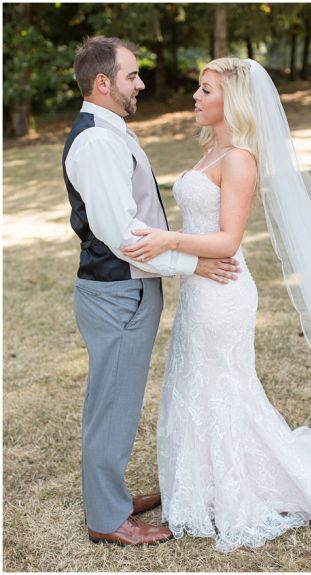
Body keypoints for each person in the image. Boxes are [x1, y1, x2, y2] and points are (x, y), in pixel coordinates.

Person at [120, 57, 311, 552]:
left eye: (205, 91)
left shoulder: (239, 158)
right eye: (198, 89)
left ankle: (236, 485)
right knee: (194, 380)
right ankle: (203, 481)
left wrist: (164, 241)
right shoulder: (210, 153)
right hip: (200, 287)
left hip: (223, 289)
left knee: (222, 385)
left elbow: (227, 240)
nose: (195, 98)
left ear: (231, 102)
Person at [63, 36, 240, 545]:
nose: (141, 83)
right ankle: (107, 518)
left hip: (128, 291)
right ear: (103, 83)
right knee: (111, 405)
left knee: (118, 401)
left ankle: (110, 495)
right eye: (132, 75)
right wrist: (193, 264)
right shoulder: (97, 141)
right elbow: (122, 238)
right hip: (118, 291)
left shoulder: (112, 132)